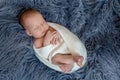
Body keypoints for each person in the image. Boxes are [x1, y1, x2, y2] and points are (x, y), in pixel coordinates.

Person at [19, 9, 85, 73]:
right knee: (54, 59)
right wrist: (46, 42)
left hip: (67, 47)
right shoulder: (37, 42)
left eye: (43, 23)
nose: (42, 28)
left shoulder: (50, 28)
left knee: (73, 45)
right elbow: (44, 55)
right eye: (36, 28)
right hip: (58, 55)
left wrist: (59, 33)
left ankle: (75, 56)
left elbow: (63, 33)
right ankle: (73, 60)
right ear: (29, 33)